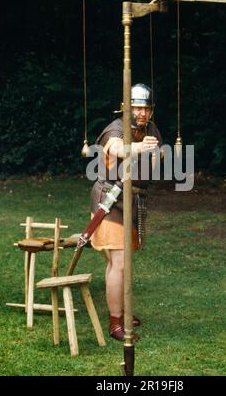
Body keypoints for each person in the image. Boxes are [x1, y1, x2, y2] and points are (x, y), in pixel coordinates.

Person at [90, 83, 162, 341]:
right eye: (137, 108)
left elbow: (154, 164)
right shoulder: (116, 128)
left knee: (126, 264)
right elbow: (116, 149)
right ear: (127, 107)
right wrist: (139, 149)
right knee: (118, 263)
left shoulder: (151, 129)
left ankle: (122, 311)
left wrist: (154, 156)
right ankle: (115, 322)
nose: (142, 113)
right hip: (111, 201)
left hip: (134, 202)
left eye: (146, 108)